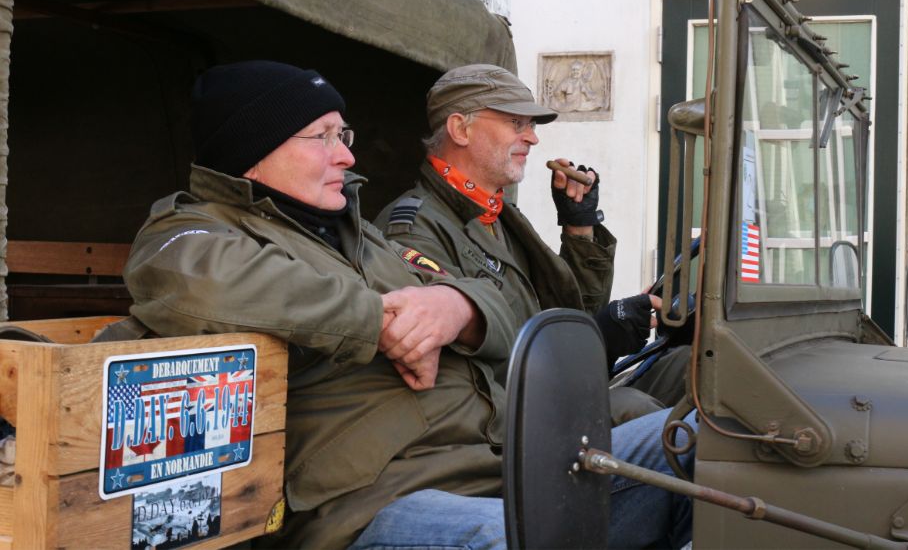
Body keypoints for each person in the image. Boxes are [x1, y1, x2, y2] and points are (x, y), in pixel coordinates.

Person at [122, 60, 691, 549]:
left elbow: (497, 301)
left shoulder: (354, 233)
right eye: (321, 137)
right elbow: (208, 285)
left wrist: (453, 310)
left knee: (710, 438)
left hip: (497, 460)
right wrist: (383, 323)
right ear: (253, 153)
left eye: (342, 136)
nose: (346, 157)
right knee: (535, 540)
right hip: (378, 500)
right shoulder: (188, 234)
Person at [376, 64, 690, 408]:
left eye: (530, 125)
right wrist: (594, 337)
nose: (532, 137)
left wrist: (579, 228)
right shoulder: (414, 228)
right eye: (516, 123)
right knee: (634, 408)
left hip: (549, 393)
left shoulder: (500, 217)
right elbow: (458, 363)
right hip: (503, 422)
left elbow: (572, 312)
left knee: (693, 367)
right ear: (460, 130)